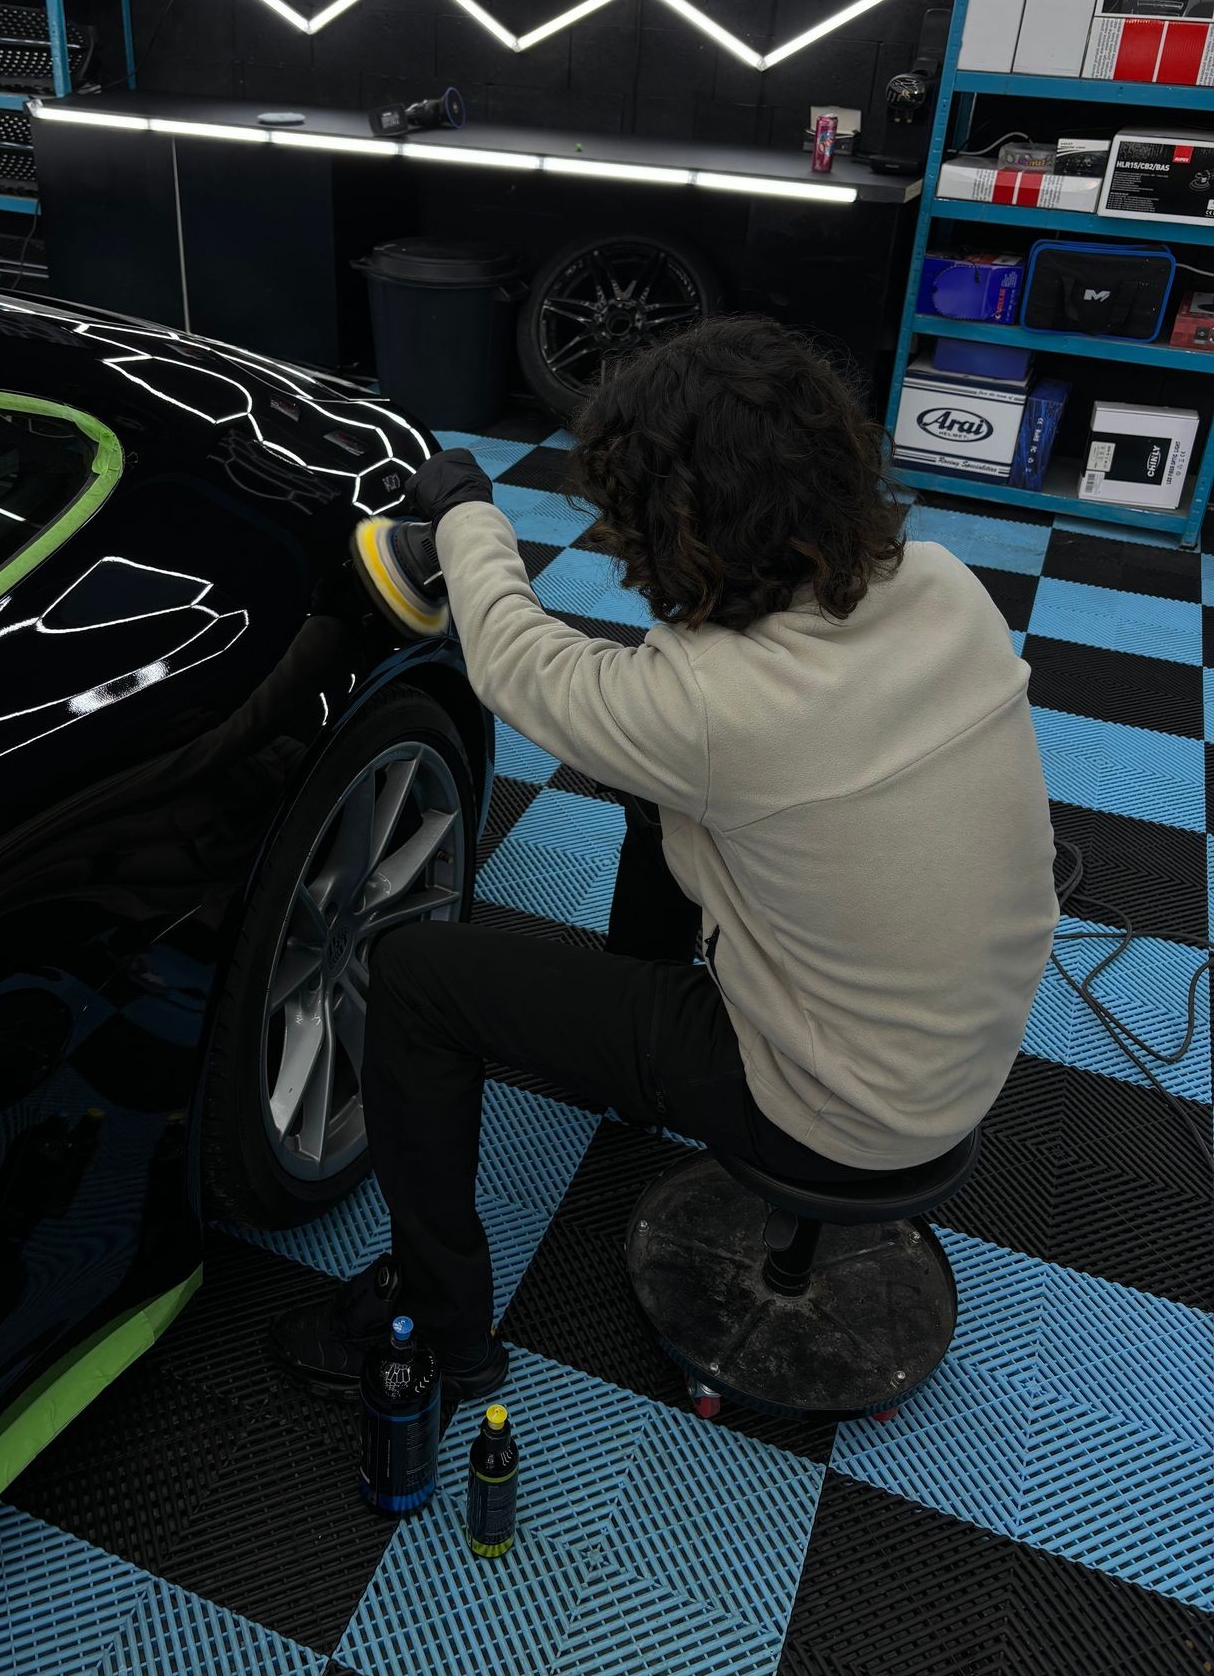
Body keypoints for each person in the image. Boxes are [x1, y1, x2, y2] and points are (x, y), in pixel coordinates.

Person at [271, 313, 1059, 1399]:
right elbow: (698, 728)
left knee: (414, 981)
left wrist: (466, 517)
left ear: (668, 526)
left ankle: (434, 1328)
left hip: (827, 1115)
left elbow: (515, 659)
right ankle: (635, 1086)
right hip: (964, 1070)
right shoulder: (948, 590)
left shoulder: (714, 715)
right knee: (654, 788)